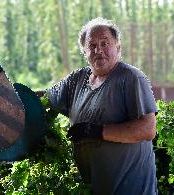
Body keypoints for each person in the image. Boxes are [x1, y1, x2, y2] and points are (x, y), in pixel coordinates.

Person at [43, 18, 158, 194]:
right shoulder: (76, 79)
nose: (99, 50)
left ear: (118, 47)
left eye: (105, 43)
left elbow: (147, 129)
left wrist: (96, 131)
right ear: (84, 51)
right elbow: (45, 99)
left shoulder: (131, 78)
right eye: (92, 45)